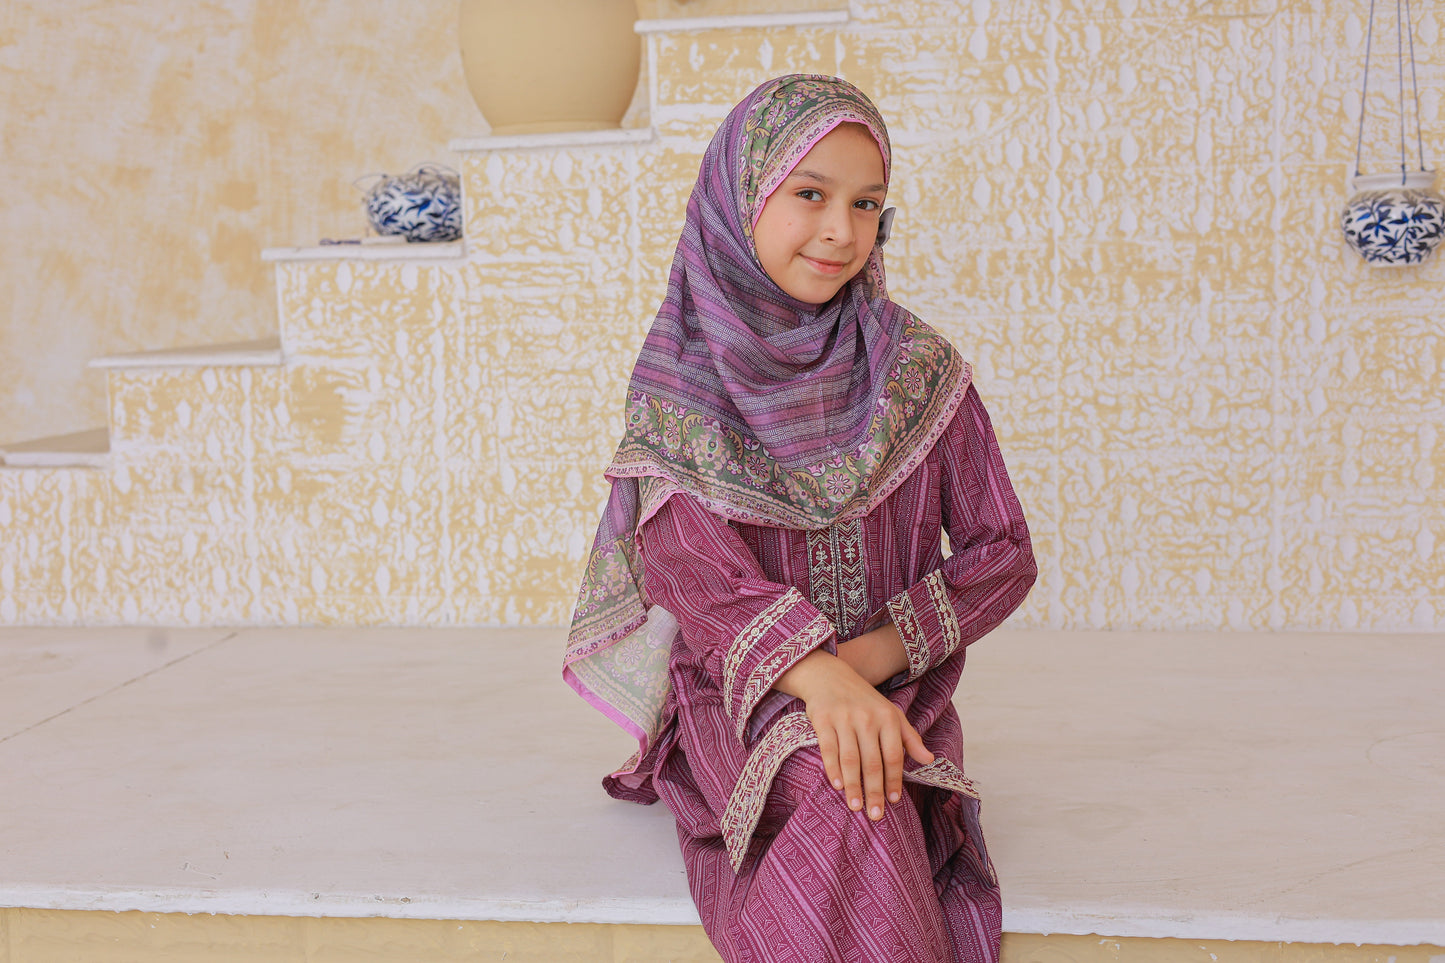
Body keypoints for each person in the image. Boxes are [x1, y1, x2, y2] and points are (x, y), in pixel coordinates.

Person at [563, 74, 1037, 963]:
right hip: (744, 697)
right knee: (842, 788)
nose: (840, 231)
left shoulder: (917, 369)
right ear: (739, 197)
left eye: (866, 203)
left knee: (865, 777)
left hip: (894, 695)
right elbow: (686, 564)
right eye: (809, 194)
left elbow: (1001, 551)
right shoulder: (685, 375)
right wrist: (811, 679)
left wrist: (859, 668)